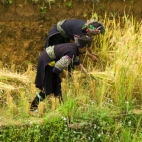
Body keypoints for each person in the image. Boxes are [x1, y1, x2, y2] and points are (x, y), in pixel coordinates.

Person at [30, 34, 93, 111]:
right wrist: (64, 75)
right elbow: (57, 68)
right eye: (87, 48)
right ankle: (33, 107)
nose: (87, 50)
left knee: (58, 87)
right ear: (84, 47)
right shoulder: (71, 53)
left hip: (49, 60)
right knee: (48, 89)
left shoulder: (75, 48)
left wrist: (86, 73)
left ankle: (61, 109)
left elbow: (77, 62)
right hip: (47, 62)